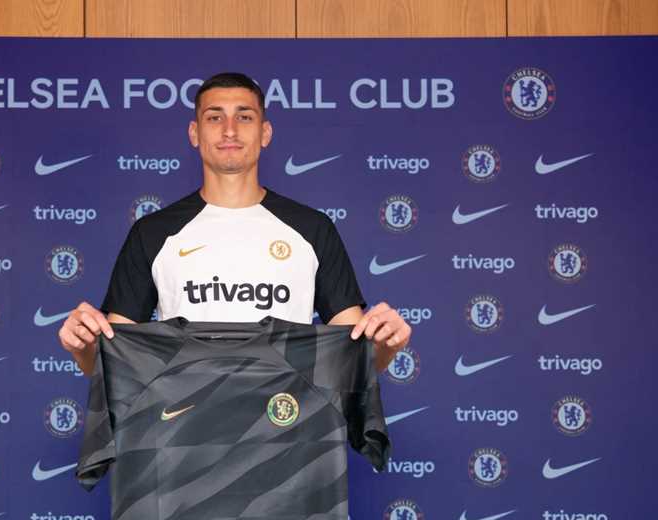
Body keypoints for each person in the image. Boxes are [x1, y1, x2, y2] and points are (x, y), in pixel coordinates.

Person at [59, 72, 411, 372]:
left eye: (244, 117)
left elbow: (354, 362)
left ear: (265, 132)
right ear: (194, 133)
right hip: (183, 426)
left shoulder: (313, 229)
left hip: (290, 424)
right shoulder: (152, 233)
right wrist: (83, 348)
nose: (229, 130)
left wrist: (386, 345)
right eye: (215, 118)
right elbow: (115, 367)